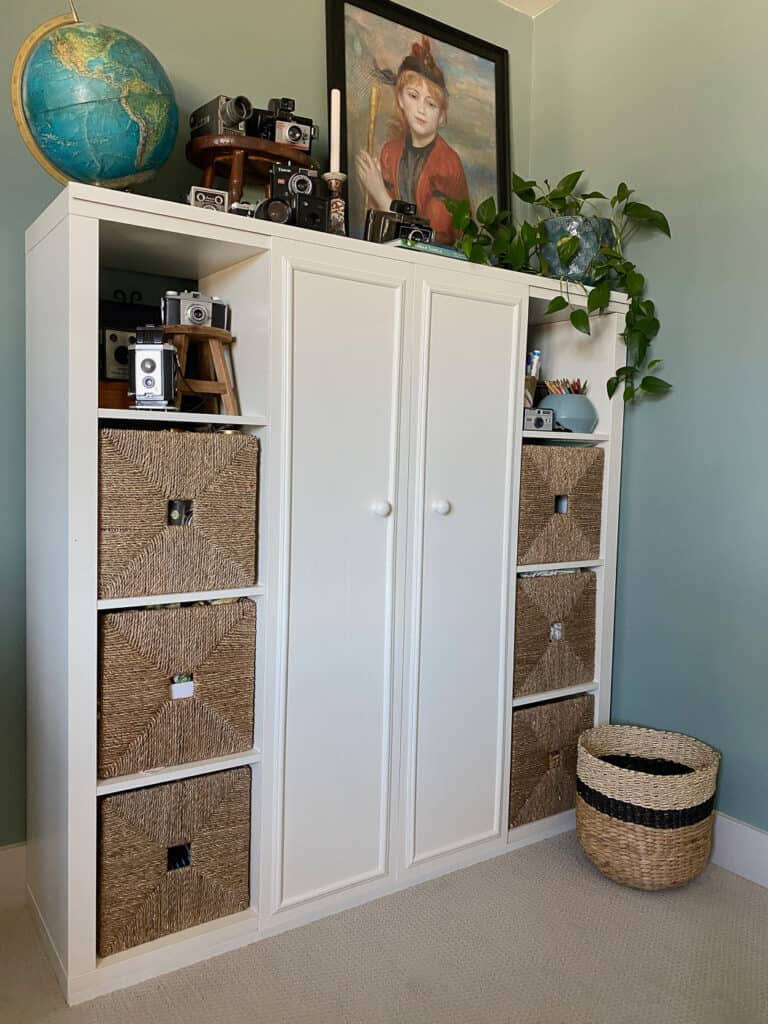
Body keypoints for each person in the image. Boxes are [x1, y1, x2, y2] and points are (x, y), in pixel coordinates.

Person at [356, 36, 469, 245]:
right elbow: (379, 225)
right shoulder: (390, 152)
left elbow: (435, 237)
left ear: (442, 116)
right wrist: (374, 188)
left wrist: (380, 193)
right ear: (400, 99)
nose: (421, 110)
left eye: (432, 104)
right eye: (413, 96)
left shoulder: (447, 163)